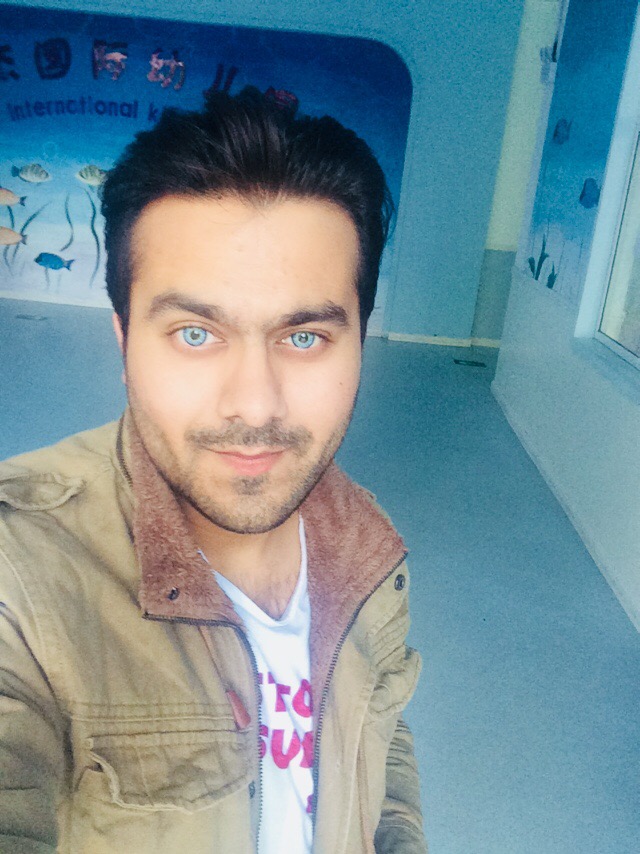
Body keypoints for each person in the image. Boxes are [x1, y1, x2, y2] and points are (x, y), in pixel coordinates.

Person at [0, 88, 426, 853]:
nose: (253, 403)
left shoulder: (364, 538)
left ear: (361, 343)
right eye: (195, 333)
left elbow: (381, 736)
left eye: (304, 338)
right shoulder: (22, 575)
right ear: (124, 342)